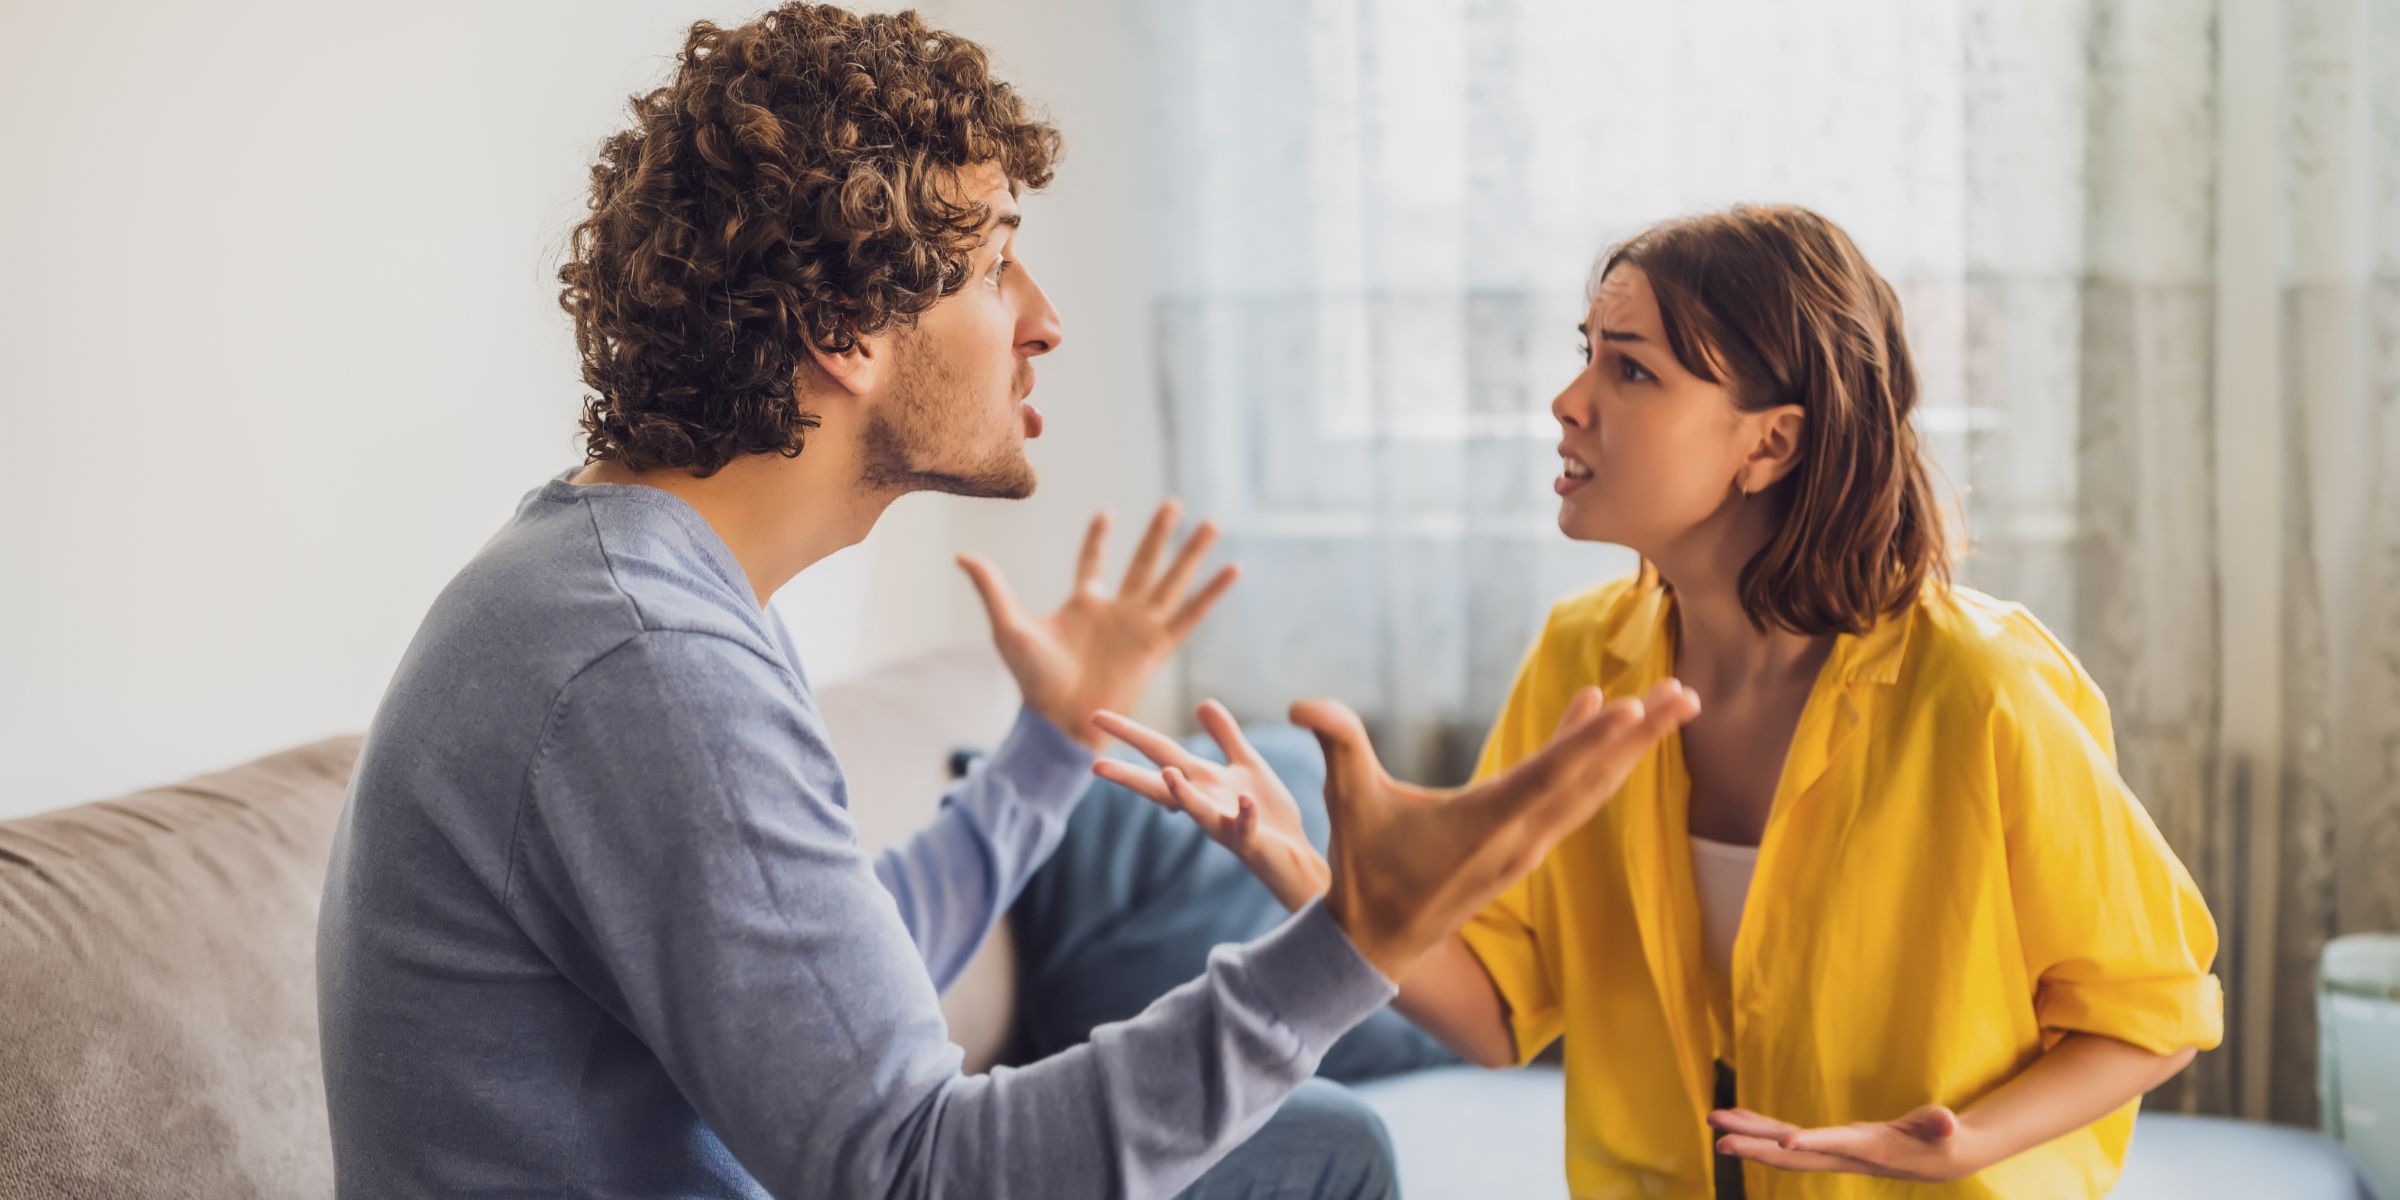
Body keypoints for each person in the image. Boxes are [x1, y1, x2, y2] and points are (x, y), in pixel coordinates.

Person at [313, 6, 1698, 1197]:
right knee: (1319, 1152)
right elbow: (919, 1172)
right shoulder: (641, 660)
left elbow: (835, 986)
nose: (1040, 317)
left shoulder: (628, 592)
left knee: (1314, 1144)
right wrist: (1351, 944)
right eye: (992, 267)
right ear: (842, 333)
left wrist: (1047, 748)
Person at [1096, 205, 2223, 1198]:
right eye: (1587, 354)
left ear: (1769, 443)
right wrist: (1299, 863)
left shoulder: (1981, 691)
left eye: (1630, 369)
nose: (1568, 400)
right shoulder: (1581, 659)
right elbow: (1497, 1014)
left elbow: (2154, 1014)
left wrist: (1958, 1143)